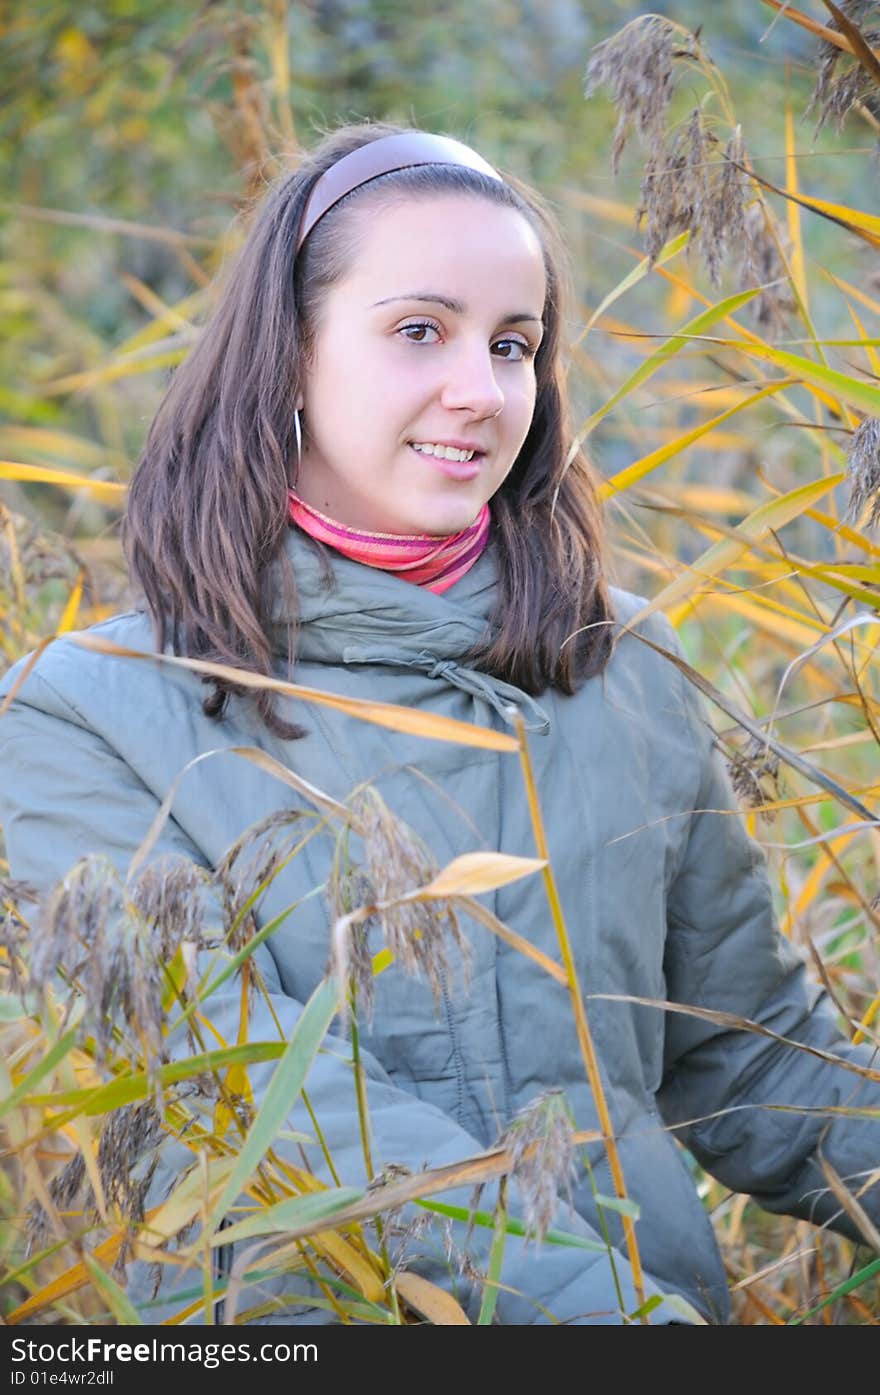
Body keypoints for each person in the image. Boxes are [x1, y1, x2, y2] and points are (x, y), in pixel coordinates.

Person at [1, 121, 878, 1327]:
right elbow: (285, 1123)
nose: (481, 389)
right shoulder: (84, 714)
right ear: (287, 352)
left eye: (514, 344)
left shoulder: (622, 664)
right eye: (421, 330)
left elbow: (753, 1057)